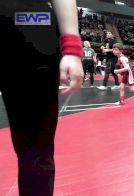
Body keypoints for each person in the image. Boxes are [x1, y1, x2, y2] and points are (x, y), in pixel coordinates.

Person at [0, 0, 83, 195]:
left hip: (24, 20)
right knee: (36, 149)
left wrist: (72, 48)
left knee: (36, 147)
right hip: (27, 22)